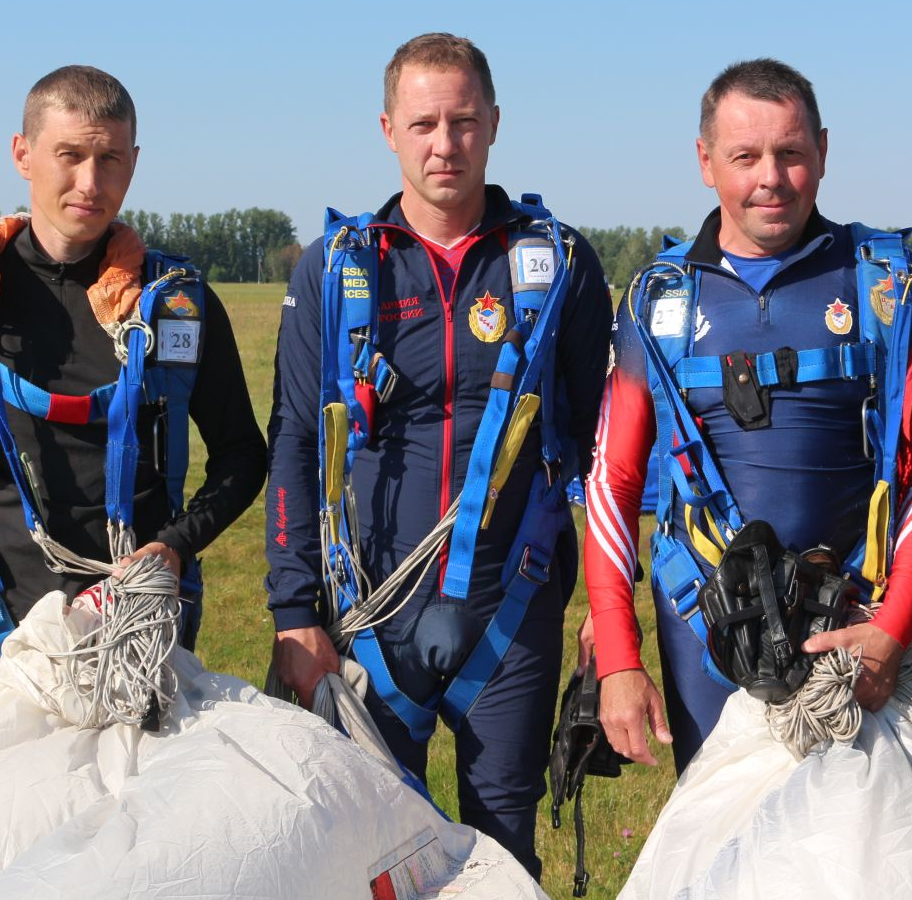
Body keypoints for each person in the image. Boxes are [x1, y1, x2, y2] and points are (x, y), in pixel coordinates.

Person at [263, 33, 612, 877]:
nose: (443, 144)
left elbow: (601, 446)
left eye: (462, 121)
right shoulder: (337, 270)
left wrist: (610, 608)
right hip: (371, 607)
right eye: (423, 124)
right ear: (388, 129)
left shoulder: (555, 263)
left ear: (493, 123)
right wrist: (291, 608)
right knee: (373, 857)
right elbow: (296, 439)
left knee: (507, 847)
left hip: (513, 603)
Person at [583, 59, 912, 773]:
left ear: (823, 150)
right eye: (744, 157)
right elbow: (615, 483)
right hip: (704, 629)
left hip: (848, 625)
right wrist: (619, 660)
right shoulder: (660, 303)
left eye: (791, 154)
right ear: (705, 161)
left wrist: (893, 628)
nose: (769, 179)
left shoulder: (884, 288)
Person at [0, 65, 266, 722]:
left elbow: (241, 454)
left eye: (110, 159)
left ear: (134, 163)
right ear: (23, 154)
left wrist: (175, 544)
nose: (90, 183)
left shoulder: (175, 306)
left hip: (138, 632)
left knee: (135, 825)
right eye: (70, 156)